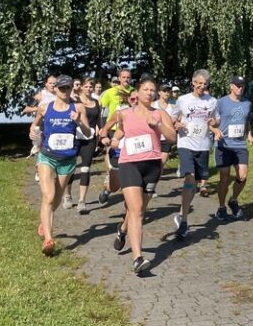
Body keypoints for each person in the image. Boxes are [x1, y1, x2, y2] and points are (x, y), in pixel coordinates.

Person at [104, 76, 176, 274]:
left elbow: (172, 137)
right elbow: (116, 131)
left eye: (153, 90)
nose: (150, 93)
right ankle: (138, 258)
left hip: (152, 165)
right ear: (137, 91)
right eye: (146, 89)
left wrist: (157, 126)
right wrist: (110, 139)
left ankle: (123, 230)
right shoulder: (125, 114)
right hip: (129, 164)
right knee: (136, 210)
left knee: (139, 209)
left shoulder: (160, 113)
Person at [29, 75, 92, 255]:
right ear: (55, 89)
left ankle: (44, 222)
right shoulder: (45, 107)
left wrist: (79, 121)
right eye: (62, 88)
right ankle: (49, 239)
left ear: (72, 89)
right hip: (47, 156)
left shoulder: (78, 107)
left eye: (68, 88)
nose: (65, 92)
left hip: (68, 159)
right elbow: (34, 126)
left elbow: (88, 132)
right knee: (48, 196)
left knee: (56, 198)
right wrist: (33, 134)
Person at [173, 69, 220, 239]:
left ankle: (181, 212)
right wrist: (176, 125)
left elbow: (217, 119)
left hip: (203, 145)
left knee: (193, 185)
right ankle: (184, 221)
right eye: (199, 83)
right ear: (193, 82)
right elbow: (173, 118)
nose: (201, 86)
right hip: (186, 144)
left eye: (205, 84)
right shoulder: (183, 100)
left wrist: (213, 122)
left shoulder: (212, 101)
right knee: (190, 178)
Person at [215, 76, 253, 221]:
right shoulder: (221, 102)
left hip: (240, 145)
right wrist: (215, 131)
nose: (240, 88)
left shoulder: (247, 103)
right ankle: (221, 207)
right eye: (237, 85)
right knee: (224, 178)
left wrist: (249, 135)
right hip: (224, 145)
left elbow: (247, 121)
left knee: (243, 176)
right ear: (231, 86)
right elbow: (212, 121)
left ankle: (233, 200)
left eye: (242, 85)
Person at [65, 77, 102, 214]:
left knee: (86, 169)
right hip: (75, 138)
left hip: (90, 139)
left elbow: (98, 122)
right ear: (81, 88)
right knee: (71, 168)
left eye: (91, 87)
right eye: (86, 86)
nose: (88, 89)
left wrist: (99, 135)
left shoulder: (96, 103)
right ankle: (67, 196)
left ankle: (82, 201)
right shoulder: (75, 102)